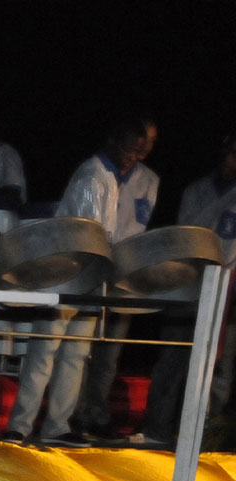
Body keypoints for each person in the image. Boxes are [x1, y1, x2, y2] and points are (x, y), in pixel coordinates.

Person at [3, 118, 149, 447]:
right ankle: (20, 426)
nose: (133, 157)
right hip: (68, 274)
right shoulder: (93, 174)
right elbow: (89, 234)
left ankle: (57, 426)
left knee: (75, 355)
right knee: (45, 352)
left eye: (140, 152)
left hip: (89, 278)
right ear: (113, 141)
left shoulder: (112, 178)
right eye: (129, 148)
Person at [136, 133, 236, 444]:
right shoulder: (197, 189)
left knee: (218, 365)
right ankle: (157, 430)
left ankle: (207, 438)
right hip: (188, 280)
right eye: (230, 152)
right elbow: (182, 233)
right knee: (172, 357)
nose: (231, 159)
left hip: (227, 286)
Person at [73, 117, 159, 438]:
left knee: (110, 352)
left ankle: (96, 411)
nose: (141, 150)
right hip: (94, 266)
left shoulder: (149, 180)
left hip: (123, 272)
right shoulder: (97, 174)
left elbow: (138, 226)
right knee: (82, 346)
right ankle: (76, 411)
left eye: (147, 144)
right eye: (137, 143)